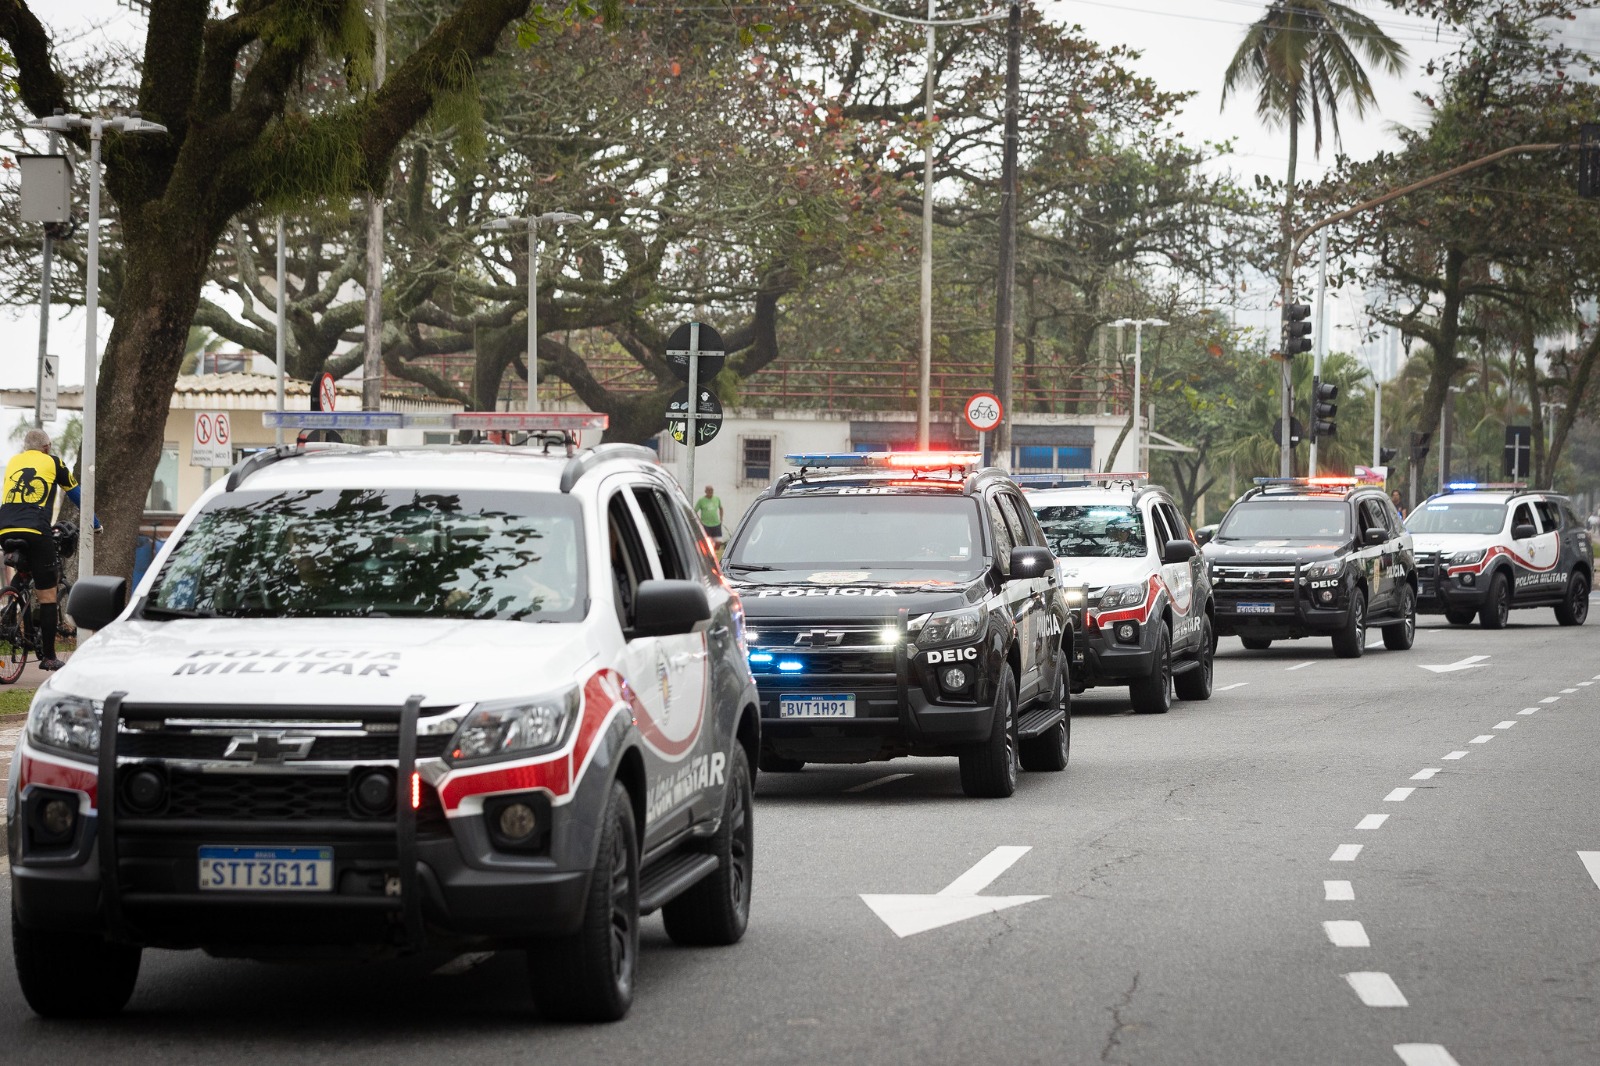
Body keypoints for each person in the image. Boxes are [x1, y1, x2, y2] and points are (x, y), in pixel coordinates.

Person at [0, 429, 83, 670]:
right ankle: (48, 657)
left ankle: (10, 605)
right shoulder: (54, 462)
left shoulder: (14, 462)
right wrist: (95, 524)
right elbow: (76, 493)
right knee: (47, 597)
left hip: (4, 528)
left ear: (27, 448)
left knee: (24, 571)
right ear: (46, 447)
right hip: (36, 530)